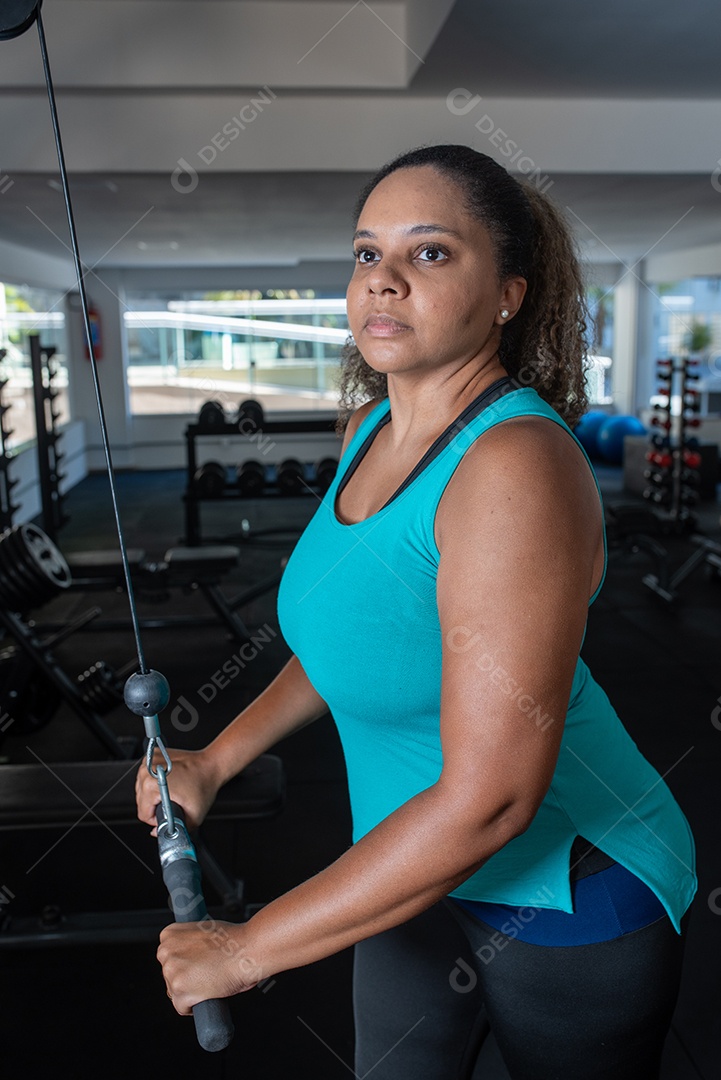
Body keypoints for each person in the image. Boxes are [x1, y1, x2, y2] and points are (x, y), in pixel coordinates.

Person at [136, 144, 696, 1079]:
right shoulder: (370, 430)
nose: (383, 279)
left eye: (428, 252)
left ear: (507, 294)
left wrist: (247, 948)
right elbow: (352, 638)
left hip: (565, 888)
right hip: (404, 866)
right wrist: (215, 757)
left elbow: (493, 799)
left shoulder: (514, 465)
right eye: (367, 253)